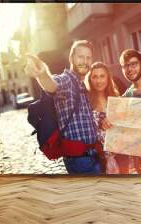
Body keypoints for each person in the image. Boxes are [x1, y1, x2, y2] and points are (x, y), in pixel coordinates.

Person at [25, 40, 101, 174]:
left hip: (92, 156)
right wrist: (42, 73)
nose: (85, 61)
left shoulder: (84, 85)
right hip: (80, 161)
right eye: (80, 57)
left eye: (88, 58)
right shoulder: (67, 80)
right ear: (71, 58)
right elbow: (52, 85)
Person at [84, 62, 122, 173]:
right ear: (90, 79)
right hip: (97, 158)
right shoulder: (86, 102)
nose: (99, 81)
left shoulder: (116, 99)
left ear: (108, 78)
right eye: (95, 77)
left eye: (102, 76)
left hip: (119, 155)